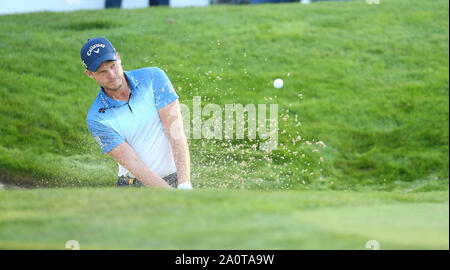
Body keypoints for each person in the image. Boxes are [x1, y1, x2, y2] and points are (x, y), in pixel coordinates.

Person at [81, 37, 192, 190]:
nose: (112, 74)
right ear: (90, 74)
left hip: (175, 178)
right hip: (133, 187)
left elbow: (176, 132)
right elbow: (133, 163)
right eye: (103, 72)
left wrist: (184, 182)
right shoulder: (97, 118)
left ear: (118, 58)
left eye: (113, 66)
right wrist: (170, 194)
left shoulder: (153, 77)